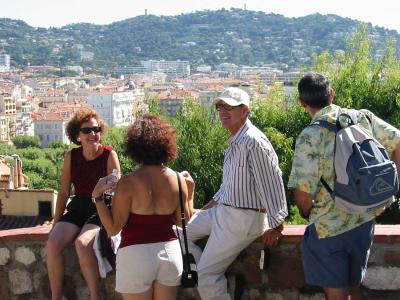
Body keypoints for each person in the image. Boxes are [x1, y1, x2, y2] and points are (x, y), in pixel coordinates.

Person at [288, 72, 400, 300]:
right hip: (364, 219)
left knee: (336, 294)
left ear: (302, 103)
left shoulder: (309, 137)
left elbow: (303, 192)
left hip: (329, 226)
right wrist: (390, 189)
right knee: (354, 287)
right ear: (331, 94)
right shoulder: (362, 117)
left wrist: (308, 212)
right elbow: (398, 143)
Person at [184, 87, 288, 300]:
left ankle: (213, 273)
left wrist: (277, 225)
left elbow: (271, 183)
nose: (223, 111)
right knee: (178, 236)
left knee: (205, 275)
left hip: (243, 218)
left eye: (230, 107)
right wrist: (204, 210)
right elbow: (228, 187)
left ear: (245, 110)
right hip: (224, 211)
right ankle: (219, 272)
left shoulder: (253, 142)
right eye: (220, 107)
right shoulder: (235, 142)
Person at [92, 114, 193, 300]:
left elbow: (113, 229)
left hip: (135, 256)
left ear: (135, 146)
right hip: (169, 254)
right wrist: (190, 190)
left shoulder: (128, 183)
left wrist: (97, 198)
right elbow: (183, 222)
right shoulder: (178, 180)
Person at [46, 108, 120, 300]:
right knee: (53, 244)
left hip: (101, 207)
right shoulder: (72, 156)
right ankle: (57, 296)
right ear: (77, 135)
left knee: (82, 243)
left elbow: (118, 190)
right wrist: (55, 221)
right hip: (78, 206)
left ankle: (95, 296)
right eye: (86, 131)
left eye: (95, 129)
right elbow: (63, 192)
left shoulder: (109, 155)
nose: (92, 134)